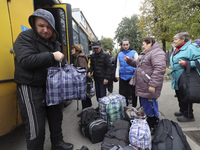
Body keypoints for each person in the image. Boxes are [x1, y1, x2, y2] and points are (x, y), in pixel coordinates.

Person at [13, 9, 73, 150]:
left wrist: (63, 64)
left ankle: (57, 144)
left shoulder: (55, 43)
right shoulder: (25, 37)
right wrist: (52, 56)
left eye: (49, 27)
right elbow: (26, 60)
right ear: (34, 24)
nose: (45, 30)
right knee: (36, 126)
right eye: (41, 26)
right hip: (30, 87)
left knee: (56, 118)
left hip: (51, 88)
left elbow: (60, 62)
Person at [124, 37, 166, 134]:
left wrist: (153, 85)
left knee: (150, 105)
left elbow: (159, 69)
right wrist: (129, 61)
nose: (142, 46)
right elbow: (138, 64)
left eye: (143, 44)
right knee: (146, 104)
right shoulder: (147, 53)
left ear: (150, 43)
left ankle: (154, 124)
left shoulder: (156, 53)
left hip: (148, 84)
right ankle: (150, 121)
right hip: (144, 84)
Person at [168, 31, 200, 122]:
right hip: (177, 76)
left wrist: (186, 63)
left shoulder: (191, 47)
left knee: (186, 94)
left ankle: (189, 115)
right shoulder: (177, 47)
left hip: (186, 76)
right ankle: (182, 110)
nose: (174, 41)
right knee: (179, 94)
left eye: (176, 39)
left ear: (183, 39)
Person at [87, 40, 112, 108]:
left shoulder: (105, 55)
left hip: (103, 79)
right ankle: (100, 107)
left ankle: (104, 108)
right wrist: (89, 71)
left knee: (102, 95)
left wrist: (106, 78)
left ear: (100, 47)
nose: (96, 50)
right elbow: (92, 65)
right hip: (96, 78)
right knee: (98, 95)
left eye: (97, 48)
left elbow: (109, 67)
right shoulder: (93, 55)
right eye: (94, 48)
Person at [115, 38, 138, 107]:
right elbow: (118, 65)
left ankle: (134, 107)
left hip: (132, 77)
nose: (125, 46)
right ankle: (125, 108)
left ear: (129, 44)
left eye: (127, 44)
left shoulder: (134, 53)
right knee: (123, 94)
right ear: (122, 45)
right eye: (124, 45)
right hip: (122, 77)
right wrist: (117, 75)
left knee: (133, 93)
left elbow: (138, 64)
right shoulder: (119, 54)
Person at [71, 44, 92, 116]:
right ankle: (86, 110)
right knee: (84, 96)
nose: (71, 51)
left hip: (84, 80)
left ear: (77, 50)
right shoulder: (78, 57)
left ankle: (87, 111)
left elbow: (83, 70)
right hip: (83, 80)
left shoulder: (80, 58)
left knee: (85, 96)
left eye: (73, 49)